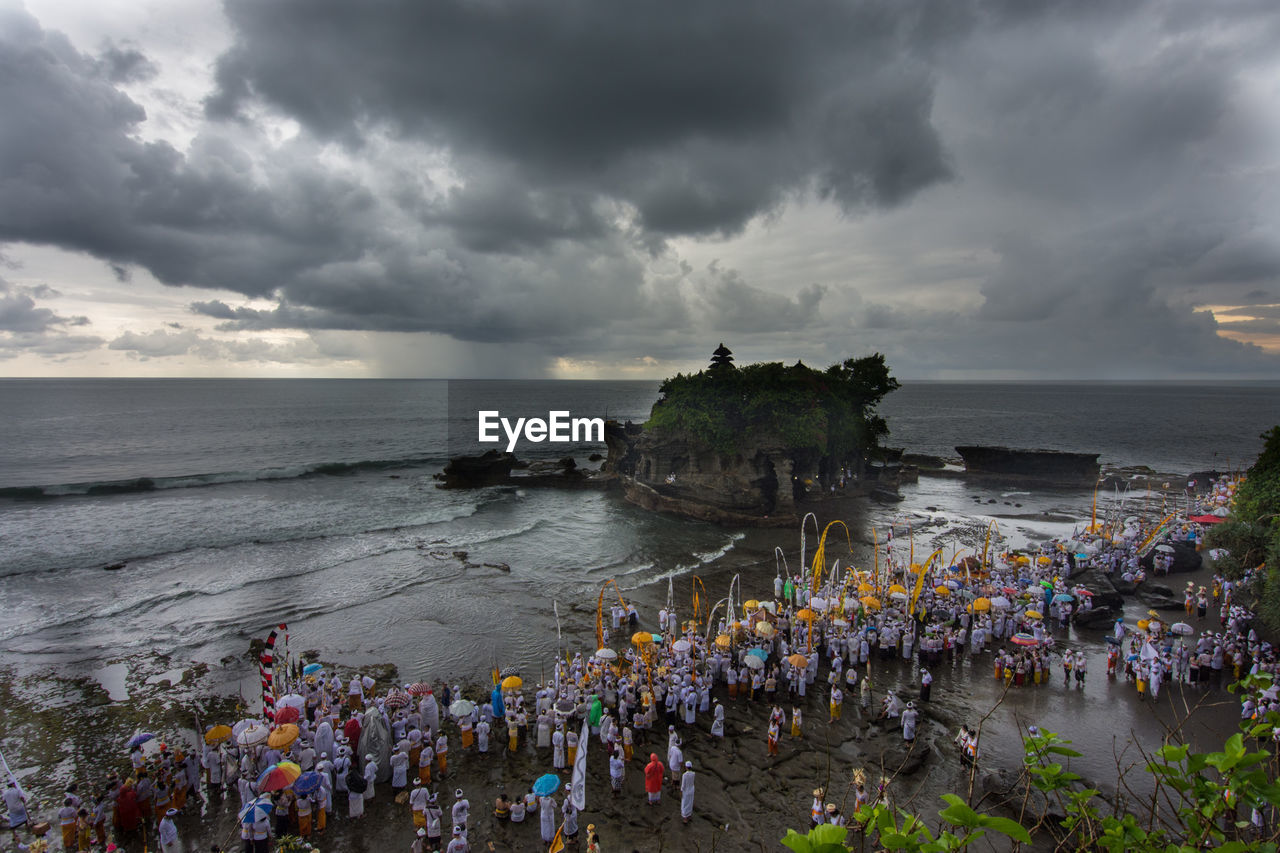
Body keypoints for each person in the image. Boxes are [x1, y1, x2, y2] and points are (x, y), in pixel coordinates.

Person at [680, 761, 696, 825]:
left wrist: (681, 791)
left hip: (686, 790)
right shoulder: (693, 774)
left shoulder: (685, 775)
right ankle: (689, 815)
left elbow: (683, 785)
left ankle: (685, 818)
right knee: (690, 802)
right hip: (691, 789)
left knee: (684, 803)